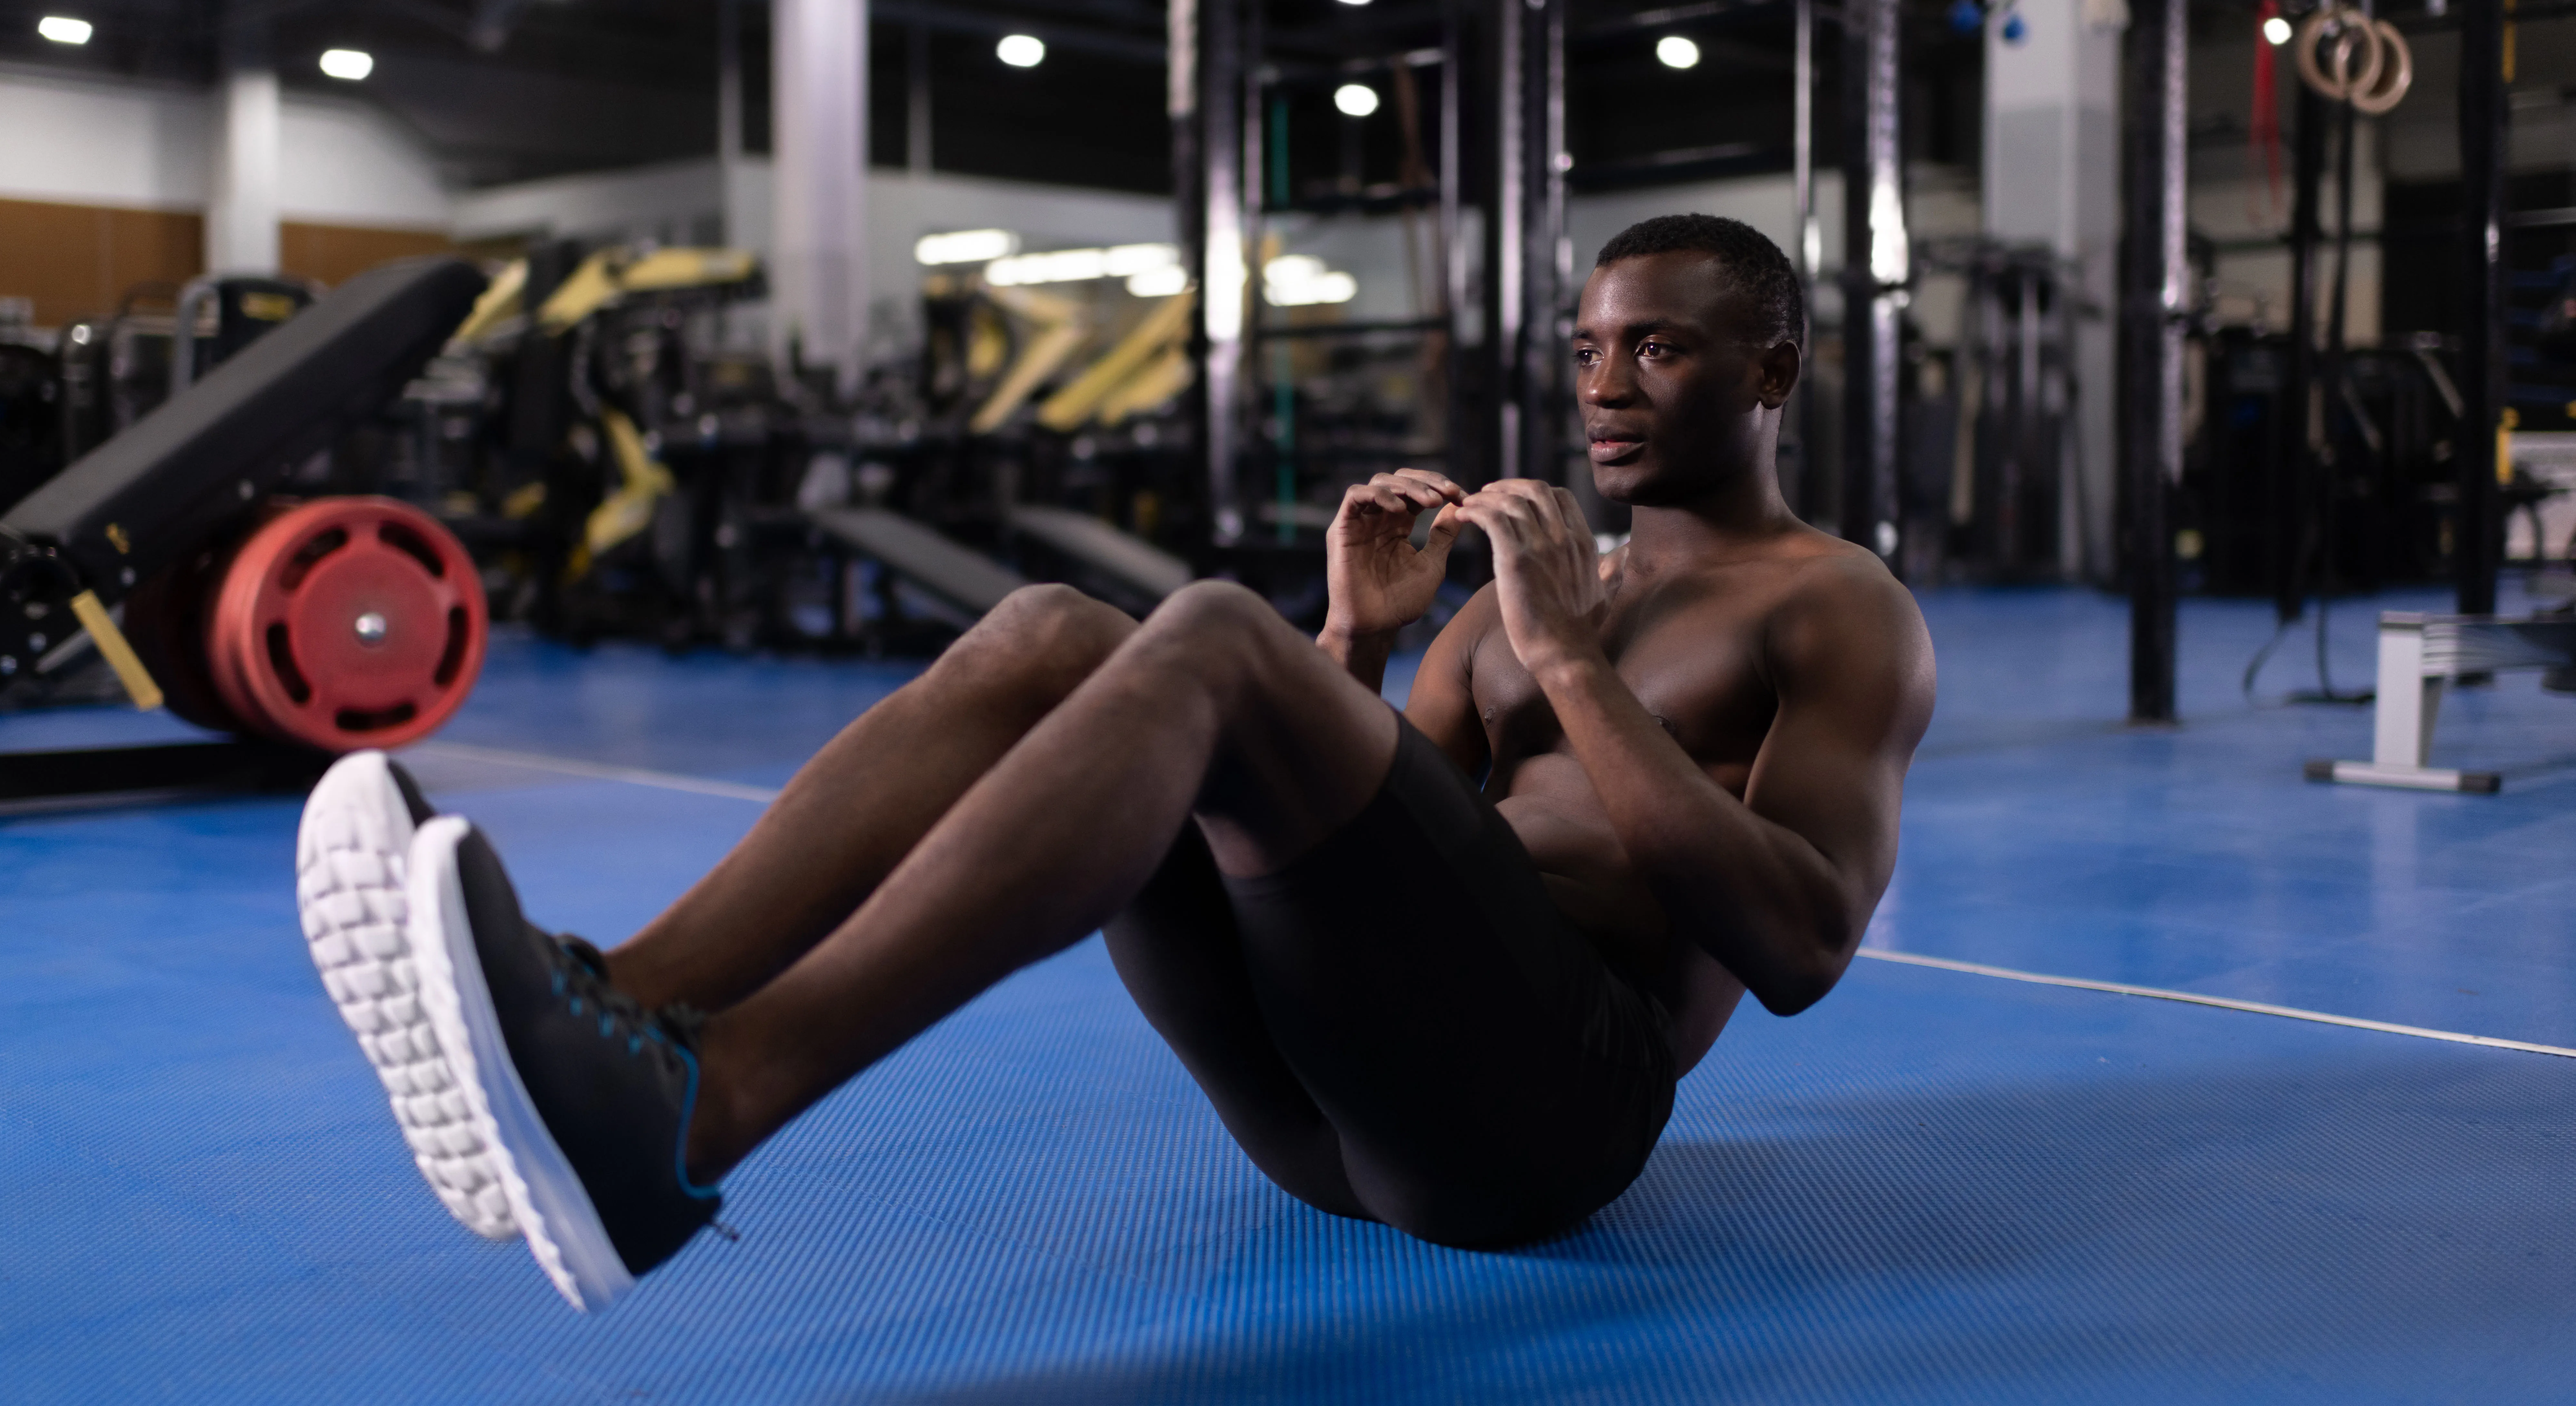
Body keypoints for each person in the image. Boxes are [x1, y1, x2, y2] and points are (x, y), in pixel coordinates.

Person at [294, 213, 1936, 1313]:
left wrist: (1568, 659)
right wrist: (1353, 640)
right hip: (1324, 1121)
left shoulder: (1832, 606)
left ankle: (708, 1107)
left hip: (1544, 1123)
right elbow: (1343, 852)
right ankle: (611, 1009)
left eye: (1657, 350)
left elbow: (1798, 946)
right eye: (1586, 350)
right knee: (1050, 634)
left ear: (1770, 373)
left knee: (1210, 635)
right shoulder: (1520, 598)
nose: (1603, 388)